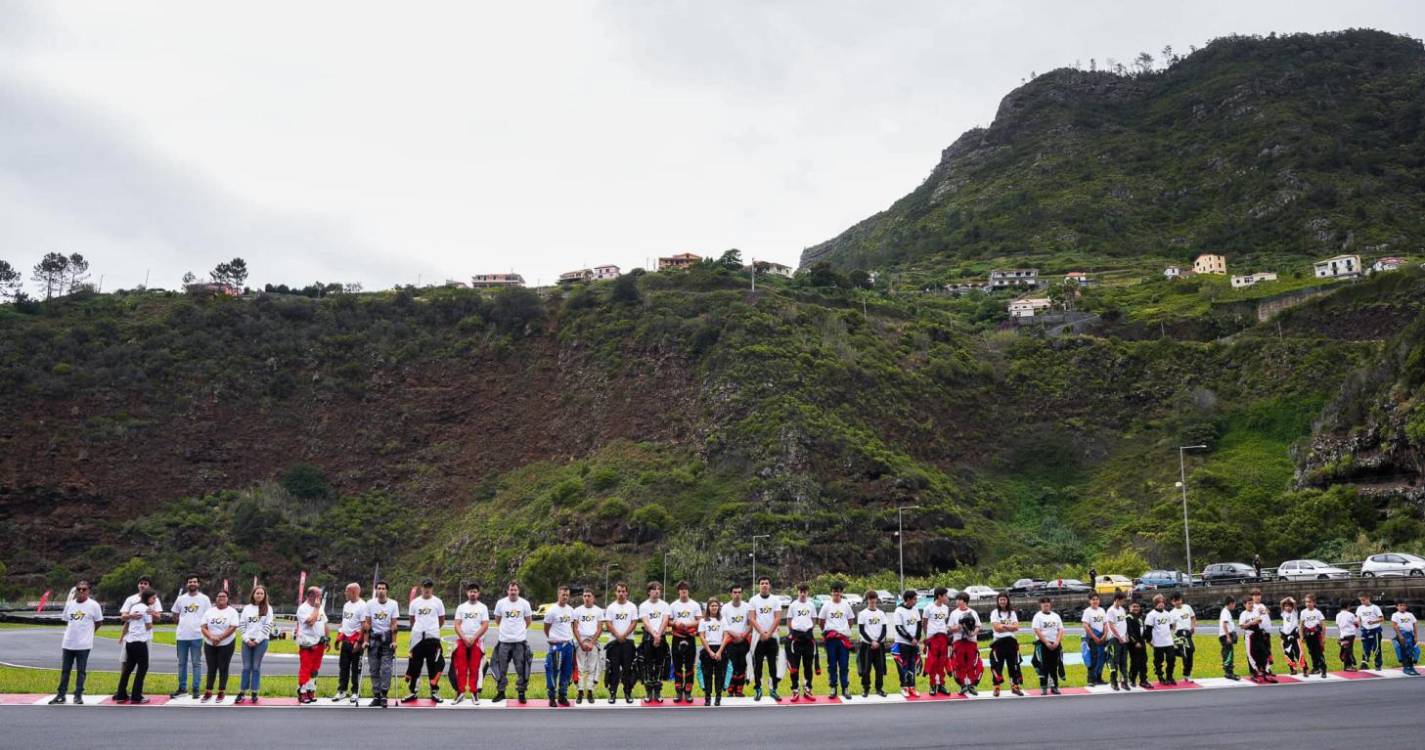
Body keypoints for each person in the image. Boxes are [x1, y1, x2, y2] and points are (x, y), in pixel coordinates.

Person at [51, 579, 102, 704]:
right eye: (79, 589)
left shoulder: (94, 605)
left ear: (88, 591)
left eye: (84, 589)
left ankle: (78, 695)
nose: (81, 591)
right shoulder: (70, 604)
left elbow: (99, 622)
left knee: (81, 671)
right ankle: (61, 694)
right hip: (68, 642)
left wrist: (89, 633)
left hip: (84, 644)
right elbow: (67, 619)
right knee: (65, 670)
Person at [115, 576, 162, 700]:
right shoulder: (146, 609)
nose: (155, 600)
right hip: (140, 641)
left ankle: (120, 694)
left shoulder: (135, 606)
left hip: (130, 640)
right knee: (142, 668)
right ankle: (136, 695)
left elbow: (128, 619)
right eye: (153, 598)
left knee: (128, 668)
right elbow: (148, 626)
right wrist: (151, 615)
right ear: (148, 598)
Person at [402, 578, 446, 703]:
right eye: (425, 587)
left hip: (432, 638)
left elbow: (441, 619)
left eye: (429, 587)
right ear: (421, 588)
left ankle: (434, 692)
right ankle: (412, 691)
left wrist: (433, 629)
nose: (427, 589)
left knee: (434, 665)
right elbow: (412, 619)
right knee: (415, 665)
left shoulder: (438, 602)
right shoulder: (415, 603)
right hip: (417, 638)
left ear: (432, 588)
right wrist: (418, 629)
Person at [491, 580, 534, 704]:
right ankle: (501, 692)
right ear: (507, 591)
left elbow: (529, 620)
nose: (513, 592)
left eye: (515, 590)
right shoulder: (501, 603)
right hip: (504, 642)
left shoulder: (524, 604)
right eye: (511, 589)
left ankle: (521, 693)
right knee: (501, 668)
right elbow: (497, 620)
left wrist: (519, 632)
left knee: (522, 669)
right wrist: (507, 632)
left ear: (518, 591)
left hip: (519, 642)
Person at [170, 575, 211, 700]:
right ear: (187, 584)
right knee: (181, 663)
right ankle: (182, 688)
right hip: (182, 636)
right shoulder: (181, 599)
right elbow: (175, 613)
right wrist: (182, 624)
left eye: (194, 581)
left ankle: (196, 689)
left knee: (196, 663)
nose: (192, 583)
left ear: (198, 584)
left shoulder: (204, 599)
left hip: (197, 636)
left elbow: (209, 615)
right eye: (190, 582)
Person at [236, 584, 274, 704]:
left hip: (261, 642)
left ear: (264, 595)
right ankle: (242, 692)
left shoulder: (268, 608)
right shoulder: (247, 608)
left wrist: (257, 640)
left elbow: (268, 626)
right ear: (253, 594)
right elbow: (242, 624)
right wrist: (247, 639)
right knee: (246, 667)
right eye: (257, 593)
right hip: (247, 641)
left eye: (261, 593)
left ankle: (254, 692)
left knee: (256, 667)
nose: (259, 595)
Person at [199, 589, 239, 702]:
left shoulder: (232, 612)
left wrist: (220, 638)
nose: (220, 598)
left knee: (223, 667)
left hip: (227, 643)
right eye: (218, 596)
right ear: (216, 598)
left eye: (223, 596)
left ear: (227, 599)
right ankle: (208, 691)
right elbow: (203, 626)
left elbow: (233, 627)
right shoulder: (209, 612)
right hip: (210, 643)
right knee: (211, 667)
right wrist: (211, 637)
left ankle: (221, 691)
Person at [452, 583, 489, 705]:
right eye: (470, 591)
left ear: (478, 593)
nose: (472, 593)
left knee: (475, 668)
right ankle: (460, 692)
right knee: (461, 668)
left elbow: (485, 625)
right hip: (462, 640)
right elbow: (457, 624)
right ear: (467, 593)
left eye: (475, 591)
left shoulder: (482, 607)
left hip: (476, 641)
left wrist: (474, 637)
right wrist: (463, 637)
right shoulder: (461, 607)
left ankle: (474, 693)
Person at [365, 581, 400, 707]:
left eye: (383, 588)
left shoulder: (393, 604)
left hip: (387, 639)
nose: (381, 591)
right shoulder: (370, 603)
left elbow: (394, 624)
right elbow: (367, 623)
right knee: (374, 668)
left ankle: (384, 694)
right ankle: (377, 695)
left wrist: (394, 641)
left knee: (386, 668)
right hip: (374, 638)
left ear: (387, 590)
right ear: (376, 590)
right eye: (378, 588)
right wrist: (365, 640)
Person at [818, 582, 856, 700]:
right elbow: (821, 621)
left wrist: (843, 632)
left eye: (838, 591)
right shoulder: (826, 605)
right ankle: (833, 687)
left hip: (843, 640)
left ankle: (845, 688)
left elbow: (851, 620)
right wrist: (828, 631)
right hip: (831, 640)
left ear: (841, 593)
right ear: (831, 593)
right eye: (834, 591)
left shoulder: (846, 605)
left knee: (844, 664)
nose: (836, 593)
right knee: (832, 664)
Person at [667, 581, 703, 704]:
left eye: (685, 589)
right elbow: (668, 621)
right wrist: (676, 624)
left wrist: (687, 625)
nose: (683, 591)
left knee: (689, 666)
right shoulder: (673, 605)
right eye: (681, 589)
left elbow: (700, 621)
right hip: (677, 637)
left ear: (688, 591)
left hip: (690, 637)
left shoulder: (695, 605)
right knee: (677, 665)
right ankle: (678, 691)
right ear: (678, 591)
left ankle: (688, 692)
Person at [603, 582, 639, 704]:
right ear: (615, 592)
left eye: (623, 591)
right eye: (619, 591)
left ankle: (627, 692)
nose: (621, 593)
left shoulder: (632, 607)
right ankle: (612, 693)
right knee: (613, 670)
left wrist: (624, 635)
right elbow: (608, 623)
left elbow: (634, 623)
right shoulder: (611, 607)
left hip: (628, 642)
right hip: (614, 642)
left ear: (627, 593)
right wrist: (618, 635)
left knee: (628, 669)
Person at [748, 577, 782, 701]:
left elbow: (778, 618)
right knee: (758, 665)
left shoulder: (775, 600)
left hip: (772, 637)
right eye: (762, 583)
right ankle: (758, 689)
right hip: (758, 638)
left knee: (773, 664)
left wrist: (769, 633)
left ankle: (773, 689)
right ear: (759, 586)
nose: (764, 585)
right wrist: (762, 632)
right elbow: (752, 618)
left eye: (766, 583)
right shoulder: (753, 600)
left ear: (770, 585)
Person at [334, 583, 368, 703]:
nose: (345, 593)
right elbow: (344, 623)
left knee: (355, 668)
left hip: (356, 642)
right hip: (346, 641)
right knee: (343, 667)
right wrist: (339, 637)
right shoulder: (346, 605)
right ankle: (342, 690)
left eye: (346, 591)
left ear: (353, 592)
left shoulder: (363, 606)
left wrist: (359, 642)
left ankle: (355, 691)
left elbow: (364, 626)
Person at [543, 586, 576, 707]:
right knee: (553, 671)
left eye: (567, 595)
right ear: (558, 595)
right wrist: (552, 638)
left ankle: (563, 695)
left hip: (568, 645)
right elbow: (546, 627)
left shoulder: (571, 610)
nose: (565, 597)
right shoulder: (552, 610)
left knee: (567, 672)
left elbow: (571, 626)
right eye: (563, 595)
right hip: (556, 646)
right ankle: (552, 697)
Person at [638, 581, 671, 702]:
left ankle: (657, 692)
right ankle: (648, 692)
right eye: (654, 589)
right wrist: (654, 635)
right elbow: (646, 622)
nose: (657, 591)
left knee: (659, 665)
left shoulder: (665, 605)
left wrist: (659, 635)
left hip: (661, 636)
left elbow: (665, 620)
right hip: (648, 637)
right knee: (648, 665)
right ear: (649, 592)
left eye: (659, 589)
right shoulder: (643, 605)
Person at [785, 584, 819, 702]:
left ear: (807, 592)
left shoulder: (811, 605)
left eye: (805, 591)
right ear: (797, 592)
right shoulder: (793, 605)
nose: (803, 594)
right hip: (796, 639)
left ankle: (807, 689)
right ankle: (795, 689)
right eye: (801, 591)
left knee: (808, 666)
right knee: (795, 666)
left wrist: (809, 630)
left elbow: (814, 619)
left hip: (808, 639)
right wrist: (792, 632)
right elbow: (789, 620)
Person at [295, 585, 327, 704]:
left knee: (315, 669)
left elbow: (324, 622)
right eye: (319, 596)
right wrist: (317, 609)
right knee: (306, 668)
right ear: (310, 596)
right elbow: (310, 622)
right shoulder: (303, 608)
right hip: (307, 644)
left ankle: (311, 689)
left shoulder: (320, 607)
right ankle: (302, 691)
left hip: (319, 642)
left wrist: (327, 638)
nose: (320, 598)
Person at [572, 589, 604, 705]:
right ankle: (580, 691)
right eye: (584, 596)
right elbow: (575, 628)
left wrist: (592, 642)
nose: (586, 598)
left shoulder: (598, 611)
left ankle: (590, 691)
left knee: (592, 668)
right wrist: (580, 642)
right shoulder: (577, 611)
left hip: (593, 642)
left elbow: (600, 628)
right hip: (581, 640)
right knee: (580, 668)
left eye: (589, 596)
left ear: (593, 597)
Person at [855, 591, 888, 698]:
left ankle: (879, 688)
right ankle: (866, 689)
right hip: (866, 645)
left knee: (880, 668)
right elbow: (862, 631)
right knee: (866, 668)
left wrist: (877, 641)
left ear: (876, 599)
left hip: (879, 645)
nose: (872, 601)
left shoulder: (881, 613)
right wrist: (871, 641)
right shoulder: (863, 614)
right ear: (867, 600)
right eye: (870, 598)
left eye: (874, 598)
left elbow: (884, 630)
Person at [988, 593, 1022, 697]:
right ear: (998, 601)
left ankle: (1015, 686)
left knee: (1013, 666)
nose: (1003, 601)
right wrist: (1009, 626)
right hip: (999, 642)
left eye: (1004, 600)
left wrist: (1003, 625)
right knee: (998, 666)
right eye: (1001, 600)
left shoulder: (1012, 613)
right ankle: (996, 687)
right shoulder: (994, 613)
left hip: (1011, 642)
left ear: (1007, 601)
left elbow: (1016, 627)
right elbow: (996, 628)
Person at [721, 584, 752, 697]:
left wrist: (743, 635)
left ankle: (739, 690)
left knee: (742, 665)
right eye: (735, 592)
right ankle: (730, 690)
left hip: (744, 641)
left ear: (742, 594)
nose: (737, 594)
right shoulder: (725, 608)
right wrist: (735, 635)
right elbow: (725, 626)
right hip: (730, 642)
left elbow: (751, 624)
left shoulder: (747, 607)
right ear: (731, 594)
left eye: (739, 592)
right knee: (731, 666)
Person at [950, 591, 982, 696]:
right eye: (957, 599)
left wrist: (973, 633)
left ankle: (971, 685)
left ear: (964, 601)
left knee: (971, 663)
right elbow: (950, 628)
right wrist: (959, 626)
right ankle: (963, 685)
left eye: (959, 600)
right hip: (958, 641)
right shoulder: (954, 613)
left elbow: (978, 626)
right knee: (959, 664)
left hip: (971, 641)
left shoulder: (973, 612)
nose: (957, 601)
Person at [1239, 589, 1275, 683]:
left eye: (1251, 603)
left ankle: (1265, 671)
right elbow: (1242, 626)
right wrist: (1252, 622)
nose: (1251, 605)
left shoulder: (1256, 610)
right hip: (1250, 635)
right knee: (1251, 654)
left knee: (1264, 652)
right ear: (1245, 604)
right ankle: (1254, 672)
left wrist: (1261, 615)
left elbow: (1264, 615)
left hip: (1259, 634)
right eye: (1249, 603)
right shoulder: (1243, 614)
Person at [892, 590, 922, 698]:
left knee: (912, 665)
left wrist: (917, 638)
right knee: (904, 665)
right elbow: (899, 627)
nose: (916, 601)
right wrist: (910, 639)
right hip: (903, 642)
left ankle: (912, 687)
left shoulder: (915, 609)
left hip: (914, 644)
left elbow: (919, 624)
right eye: (914, 599)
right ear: (908, 599)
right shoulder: (899, 611)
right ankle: (904, 687)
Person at [698, 597, 727, 706]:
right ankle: (708, 697)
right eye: (712, 605)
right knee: (707, 674)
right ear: (708, 607)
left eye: (716, 605)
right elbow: (702, 636)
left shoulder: (722, 620)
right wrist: (710, 652)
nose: (714, 607)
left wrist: (719, 652)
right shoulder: (703, 621)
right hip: (707, 649)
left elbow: (726, 636)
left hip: (720, 648)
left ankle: (718, 697)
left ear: (719, 607)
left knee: (719, 674)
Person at [1031, 597, 1063, 695]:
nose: (1046, 606)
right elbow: (1037, 630)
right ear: (1041, 605)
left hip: (1055, 643)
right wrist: (1046, 642)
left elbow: (1060, 629)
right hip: (1042, 644)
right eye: (1044, 604)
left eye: (1048, 604)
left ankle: (1054, 686)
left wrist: (1057, 641)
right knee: (1043, 666)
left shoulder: (1056, 616)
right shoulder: (1038, 616)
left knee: (1054, 666)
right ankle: (1044, 686)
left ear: (1050, 605)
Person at [1145, 594, 1176, 685]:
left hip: (1168, 641)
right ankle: (1160, 677)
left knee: (1171, 659)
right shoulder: (1151, 615)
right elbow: (1148, 630)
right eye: (1159, 602)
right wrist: (1149, 641)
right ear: (1155, 603)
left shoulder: (1167, 614)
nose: (1161, 604)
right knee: (1159, 661)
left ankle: (1169, 676)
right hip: (1158, 643)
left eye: (1162, 602)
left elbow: (1170, 626)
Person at [1081, 593, 1109, 686]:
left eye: (1097, 599)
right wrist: (1094, 637)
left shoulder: (1102, 610)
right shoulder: (1087, 611)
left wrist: (1105, 635)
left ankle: (1098, 678)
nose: (1095, 601)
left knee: (1102, 658)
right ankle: (1091, 680)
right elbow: (1085, 625)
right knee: (1093, 659)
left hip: (1102, 637)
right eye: (1093, 599)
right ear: (1090, 601)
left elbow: (1105, 624)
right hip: (1092, 638)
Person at [1169, 591, 1197, 682]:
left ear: (1181, 600)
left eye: (1179, 600)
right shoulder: (1172, 613)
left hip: (1188, 632)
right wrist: (1174, 637)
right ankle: (1187, 674)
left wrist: (1193, 627)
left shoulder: (1187, 607)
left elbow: (1193, 617)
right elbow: (1172, 626)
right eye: (1175, 601)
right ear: (1172, 602)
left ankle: (1175, 651)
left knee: (1190, 651)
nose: (1177, 602)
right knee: (1188, 651)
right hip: (1180, 633)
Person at [1105, 592, 1129, 691]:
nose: (1123, 602)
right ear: (1117, 599)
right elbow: (1111, 626)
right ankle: (1113, 682)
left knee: (1124, 662)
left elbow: (1124, 624)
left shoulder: (1122, 610)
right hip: (1115, 639)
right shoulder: (1111, 611)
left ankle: (1124, 681)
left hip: (1124, 639)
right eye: (1122, 600)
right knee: (1114, 662)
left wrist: (1126, 635)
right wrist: (1119, 637)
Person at [1299, 594, 1328, 679]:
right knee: (1311, 652)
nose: (1308, 603)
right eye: (1306, 602)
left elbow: (1323, 626)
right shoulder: (1303, 612)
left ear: (1314, 603)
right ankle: (1315, 668)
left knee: (1319, 652)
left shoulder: (1317, 612)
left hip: (1316, 635)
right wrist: (1301, 636)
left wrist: (1323, 638)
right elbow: (1301, 625)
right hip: (1308, 635)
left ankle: (1323, 669)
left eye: (1310, 602)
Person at [1125, 600, 1152, 689]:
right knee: (1135, 662)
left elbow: (1143, 630)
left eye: (1137, 606)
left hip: (1141, 642)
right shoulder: (1128, 618)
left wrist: (1147, 640)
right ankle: (1132, 679)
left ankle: (1143, 680)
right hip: (1133, 643)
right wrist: (1135, 642)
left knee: (1144, 661)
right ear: (1129, 608)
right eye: (1134, 606)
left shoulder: (1140, 618)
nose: (1136, 608)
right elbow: (1129, 632)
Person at [1356, 592, 1384, 671]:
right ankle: (1364, 663)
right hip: (1365, 630)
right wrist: (1357, 622)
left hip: (1375, 630)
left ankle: (1378, 664)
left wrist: (1373, 622)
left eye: (1364, 600)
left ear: (1368, 598)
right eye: (1361, 600)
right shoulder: (1360, 608)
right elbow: (1358, 618)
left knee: (1376, 648)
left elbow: (1381, 619)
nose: (1362, 602)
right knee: (1365, 647)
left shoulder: (1375, 608)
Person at [1390, 601, 1418, 676]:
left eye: (1404, 605)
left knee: (1413, 651)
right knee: (1405, 652)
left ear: (1406, 606)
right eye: (1400, 605)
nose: (1402, 607)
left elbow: (1414, 625)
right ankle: (1406, 667)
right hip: (1402, 634)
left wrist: (1415, 636)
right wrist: (1400, 636)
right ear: (1397, 606)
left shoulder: (1410, 615)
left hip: (1410, 634)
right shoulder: (1395, 615)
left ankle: (1411, 667)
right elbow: (1394, 626)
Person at [1279, 596, 1302, 676]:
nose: (1288, 608)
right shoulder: (1284, 613)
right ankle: (1293, 669)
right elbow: (1281, 602)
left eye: (1289, 606)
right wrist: (1287, 598)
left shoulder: (1294, 613)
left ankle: (1304, 668)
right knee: (1288, 653)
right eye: (1286, 606)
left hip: (1294, 635)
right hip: (1285, 636)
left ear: (1292, 607)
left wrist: (1291, 599)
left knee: (1298, 652)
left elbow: (1294, 603)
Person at [1218, 596, 1239, 681]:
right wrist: (1228, 637)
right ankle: (1228, 672)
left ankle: (1230, 671)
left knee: (1229, 652)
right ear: (1230, 603)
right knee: (1228, 653)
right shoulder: (1225, 612)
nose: (1235, 606)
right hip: (1225, 636)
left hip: (1227, 635)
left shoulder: (1226, 612)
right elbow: (1224, 625)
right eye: (1234, 604)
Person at [1335, 598, 1360, 671]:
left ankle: (1346, 664)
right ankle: (1348, 666)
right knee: (1349, 651)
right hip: (1350, 635)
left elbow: (1337, 625)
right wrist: (1358, 619)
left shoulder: (1338, 615)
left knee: (1346, 650)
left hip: (1342, 634)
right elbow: (1357, 624)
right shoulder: (1351, 615)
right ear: (1348, 606)